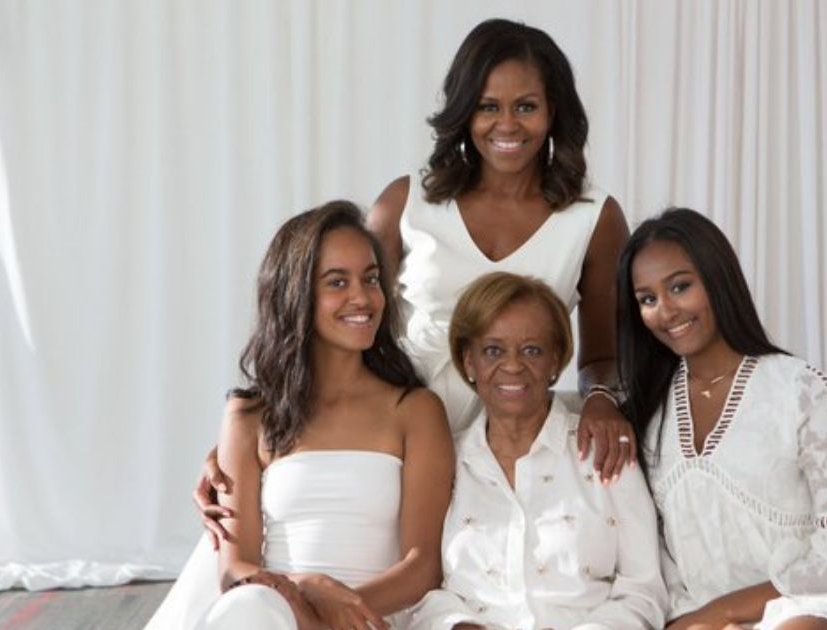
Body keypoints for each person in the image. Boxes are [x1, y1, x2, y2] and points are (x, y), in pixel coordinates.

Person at [146, 201, 454, 630]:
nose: (362, 297)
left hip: (369, 619)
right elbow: (234, 569)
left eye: (370, 279)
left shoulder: (414, 411)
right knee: (248, 607)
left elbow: (422, 567)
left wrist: (340, 611)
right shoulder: (248, 416)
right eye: (337, 282)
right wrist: (309, 588)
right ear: (295, 293)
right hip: (274, 611)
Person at [366, 18, 635, 478]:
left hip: (515, 446)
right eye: (488, 106)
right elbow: (341, 332)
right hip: (395, 436)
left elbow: (603, 357)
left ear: (553, 111)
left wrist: (601, 399)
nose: (507, 124)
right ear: (464, 111)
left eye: (526, 106)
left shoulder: (594, 218)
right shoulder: (404, 204)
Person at [616, 209, 827, 630]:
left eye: (680, 286)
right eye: (647, 299)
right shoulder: (648, 412)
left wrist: (722, 612)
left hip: (808, 605)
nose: (666, 310)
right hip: (694, 613)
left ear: (717, 279)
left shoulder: (800, 390)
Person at [408, 272, 666, 629]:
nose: (513, 365)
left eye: (532, 350)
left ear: (555, 360)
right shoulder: (444, 462)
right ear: (469, 362)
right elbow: (422, 590)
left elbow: (644, 591)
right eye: (493, 350)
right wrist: (455, 624)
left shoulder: (605, 449)